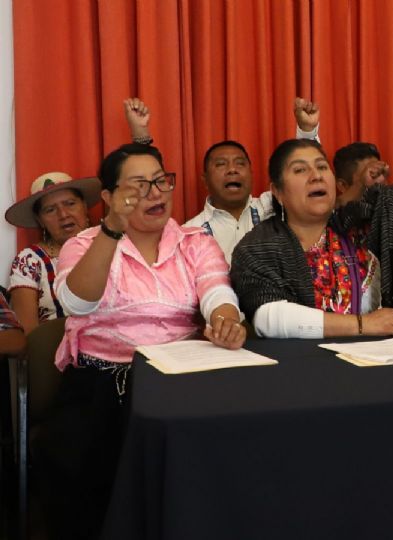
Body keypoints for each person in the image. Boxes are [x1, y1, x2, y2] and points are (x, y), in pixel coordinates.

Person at [35, 143, 244, 539]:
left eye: (161, 181)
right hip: (100, 387)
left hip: (177, 380)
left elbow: (217, 291)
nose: (155, 193)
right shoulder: (84, 244)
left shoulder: (193, 240)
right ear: (110, 197)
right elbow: (77, 303)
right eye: (139, 185)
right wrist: (112, 231)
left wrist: (225, 319)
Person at [231, 92, 393, 338]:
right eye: (300, 170)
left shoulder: (356, 223)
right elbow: (268, 318)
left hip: (377, 361)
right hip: (299, 367)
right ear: (277, 192)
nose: (316, 175)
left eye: (322, 167)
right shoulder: (258, 246)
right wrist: (363, 325)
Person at [293, 97, 393, 289]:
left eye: (381, 177)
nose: (379, 188)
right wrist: (307, 132)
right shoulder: (320, 224)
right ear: (342, 186)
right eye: (369, 180)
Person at [125, 98, 273, 265]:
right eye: (221, 164)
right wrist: (141, 135)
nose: (232, 169)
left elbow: (300, 182)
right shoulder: (191, 233)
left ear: (252, 174)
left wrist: (306, 131)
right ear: (205, 180)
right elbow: (149, 175)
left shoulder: (271, 207)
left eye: (240, 163)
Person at [5, 172, 101, 333]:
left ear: (84, 206)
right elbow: (30, 334)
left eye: (70, 204)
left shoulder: (113, 243)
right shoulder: (30, 261)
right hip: (57, 352)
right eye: (50, 210)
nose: (63, 215)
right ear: (40, 220)